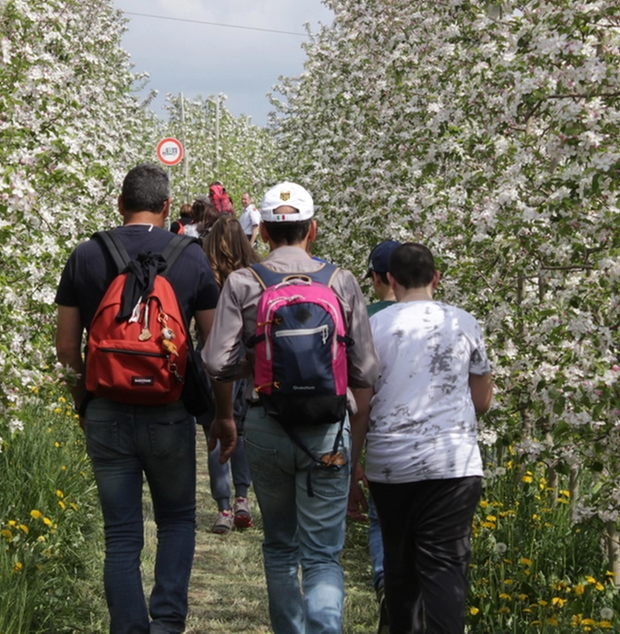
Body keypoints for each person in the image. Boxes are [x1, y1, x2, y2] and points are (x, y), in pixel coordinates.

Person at [55, 163, 237, 634]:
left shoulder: (86, 255)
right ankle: (167, 624)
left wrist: (83, 402)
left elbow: (64, 349)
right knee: (176, 520)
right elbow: (215, 350)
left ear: (119, 205)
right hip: (168, 412)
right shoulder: (191, 257)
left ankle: (129, 627)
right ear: (166, 208)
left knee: (121, 536)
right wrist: (222, 414)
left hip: (106, 410)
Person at [204, 182, 379, 634]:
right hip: (326, 428)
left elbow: (215, 361)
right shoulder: (341, 281)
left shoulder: (245, 282)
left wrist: (257, 362)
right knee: (321, 553)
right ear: (313, 229)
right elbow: (365, 367)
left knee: (280, 544)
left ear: (262, 232)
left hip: (266, 422)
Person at [351, 242, 494, 634]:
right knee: (446, 567)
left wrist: (351, 469)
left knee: (400, 567)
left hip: (392, 465)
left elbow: (361, 407)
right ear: (436, 278)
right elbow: (482, 401)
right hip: (455, 463)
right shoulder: (463, 322)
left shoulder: (373, 326)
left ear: (390, 280)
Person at [348, 239, 400, 634]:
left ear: (380, 278)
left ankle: (386, 584)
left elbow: (360, 400)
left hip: (386, 443)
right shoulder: (447, 320)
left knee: (383, 525)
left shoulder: (367, 319)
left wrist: (353, 460)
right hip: (442, 454)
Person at [198, 214, 258, 534]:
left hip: (211, 359)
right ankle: (243, 499)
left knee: (216, 429)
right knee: (241, 428)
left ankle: (222, 508)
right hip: (244, 361)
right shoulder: (253, 274)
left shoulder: (206, 274)